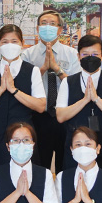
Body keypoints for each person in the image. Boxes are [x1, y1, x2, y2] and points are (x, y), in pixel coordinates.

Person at [56, 34, 102, 178]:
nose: (90, 58)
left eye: (95, 54)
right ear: (78, 56)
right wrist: (84, 100)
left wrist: (96, 99)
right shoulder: (67, 82)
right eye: (85, 54)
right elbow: (60, 116)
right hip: (77, 149)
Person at [0, 25, 46, 172]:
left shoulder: (32, 70)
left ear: (22, 44)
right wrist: (1, 89)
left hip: (23, 137)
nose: (9, 45)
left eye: (14, 41)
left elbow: (40, 106)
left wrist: (14, 90)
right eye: (5, 42)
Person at [21, 10, 79, 179]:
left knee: (66, 164)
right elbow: (23, 87)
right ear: (38, 28)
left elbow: (76, 86)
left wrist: (57, 69)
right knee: (40, 165)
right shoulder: (27, 55)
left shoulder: (71, 54)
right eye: (44, 23)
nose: (48, 27)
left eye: (52, 24)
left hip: (65, 116)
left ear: (60, 29)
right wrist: (43, 69)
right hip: (39, 116)